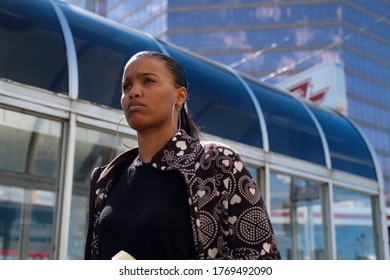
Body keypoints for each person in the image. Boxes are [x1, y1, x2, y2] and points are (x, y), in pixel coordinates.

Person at [84, 50, 281, 260]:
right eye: (127, 86)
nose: (134, 92)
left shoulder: (216, 162)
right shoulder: (107, 179)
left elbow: (264, 259)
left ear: (180, 96)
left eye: (148, 81)